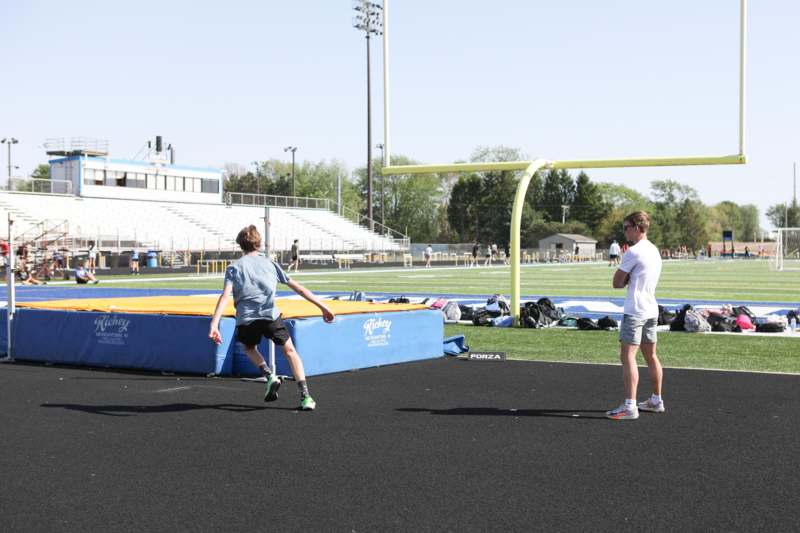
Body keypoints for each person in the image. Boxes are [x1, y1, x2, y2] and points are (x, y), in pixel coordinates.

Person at [208, 225, 335, 411]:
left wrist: (214, 324)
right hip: (270, 317)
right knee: (290, 351)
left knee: (249, 347)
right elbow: (298, 288)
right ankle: (306, 396)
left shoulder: (234, 267)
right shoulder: (270, 263)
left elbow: (225, 296)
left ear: (240, 245)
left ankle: (269, 375)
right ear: (259, 244)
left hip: (247, 319)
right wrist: (323, 306)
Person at [606, 211, 664, 420]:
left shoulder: (633, 252)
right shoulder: (654, 250)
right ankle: (656, 400)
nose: (625, 232)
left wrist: (627, 278)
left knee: (627, 356)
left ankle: (630, 405)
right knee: (651, 356)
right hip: (651, 308)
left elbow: (616, 283)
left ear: (638, 228)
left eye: (627, 227)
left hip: (635, 309)